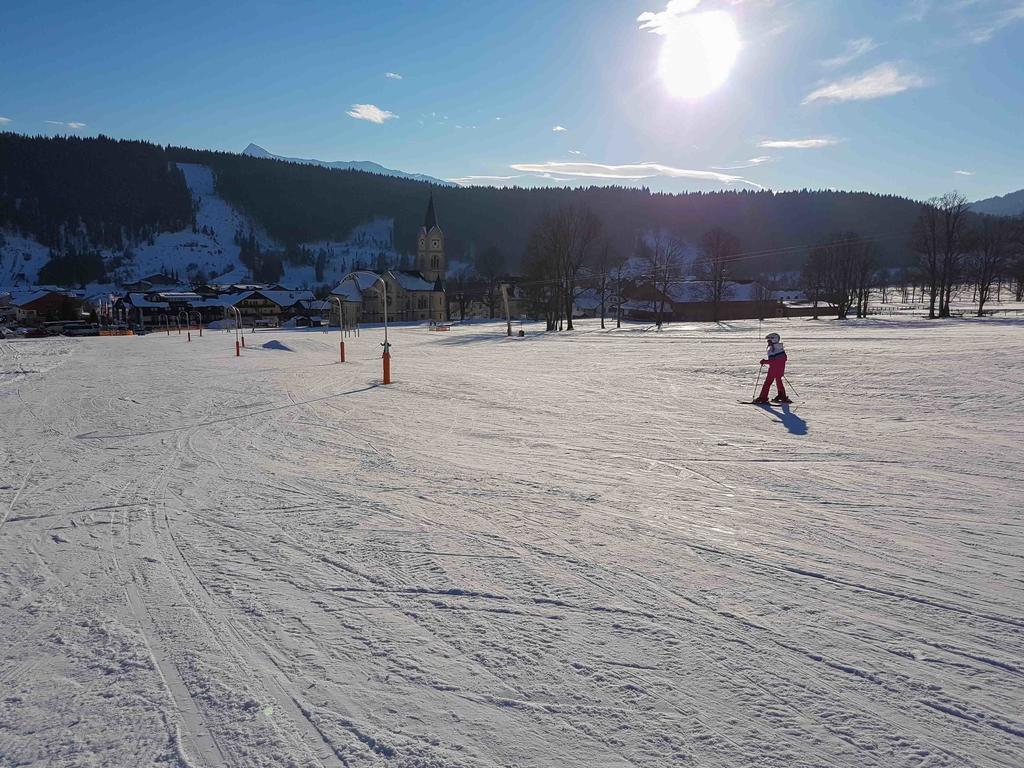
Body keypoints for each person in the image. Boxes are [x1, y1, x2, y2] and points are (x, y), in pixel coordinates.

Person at [754, 332, 792, 404]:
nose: (768, 342)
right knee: (778, 381)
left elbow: (774, 361)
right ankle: (782, 395)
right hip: (778, 368)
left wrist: (764, 361)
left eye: (769, 340)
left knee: (767, 383)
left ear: (774, 340)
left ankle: (763, 397)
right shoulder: (777, 348)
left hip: (774, 369)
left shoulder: (775, 349)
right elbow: (780, 359)